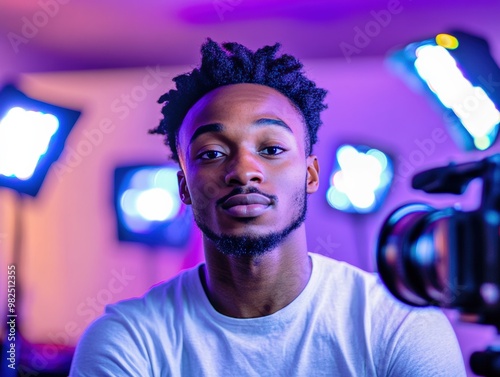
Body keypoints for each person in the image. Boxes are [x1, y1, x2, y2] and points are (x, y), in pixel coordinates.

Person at [69, 39, 466, 376]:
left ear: (311, 175)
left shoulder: (398, 324)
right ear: (184, 187)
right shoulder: (128, 339)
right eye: (211, 153)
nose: (244, 171)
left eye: (272, 149)